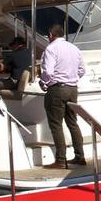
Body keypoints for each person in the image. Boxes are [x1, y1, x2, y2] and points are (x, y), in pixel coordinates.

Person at [39, 24, 86, 169]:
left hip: (57, 89)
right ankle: (80, 156)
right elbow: (82, 70)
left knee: (56, 124)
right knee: (73, 122)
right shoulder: (74, 48)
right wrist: (71, 78)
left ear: (51, 35)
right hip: (73, 89)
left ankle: (60, 159)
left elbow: (48, 71)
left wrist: (43, 82)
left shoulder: (51, 48)